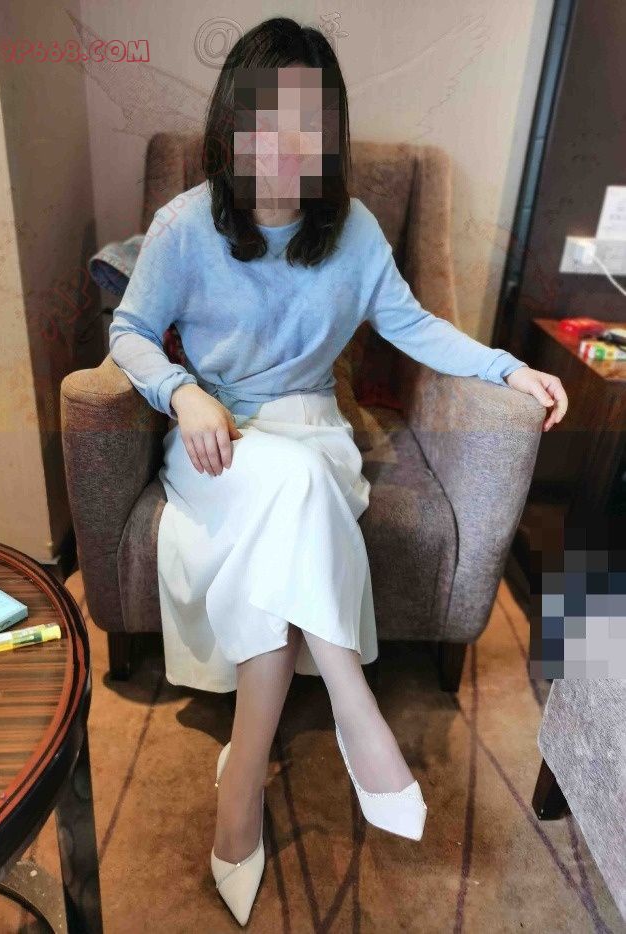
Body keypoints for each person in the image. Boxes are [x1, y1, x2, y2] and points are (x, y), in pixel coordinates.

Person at [108, 16, 569, 926]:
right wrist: (181, 393)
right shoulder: (185, 225)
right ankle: (357, 714)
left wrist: (508, 367)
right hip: (218, 443)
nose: (285, 143)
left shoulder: (351, 230)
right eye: (265, 119)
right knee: (286, 490)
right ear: (232, 126)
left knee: (299, 483)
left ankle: (242, 783)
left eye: (307, 122)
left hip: (314, 433)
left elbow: (415, 325)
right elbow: (128, 331)